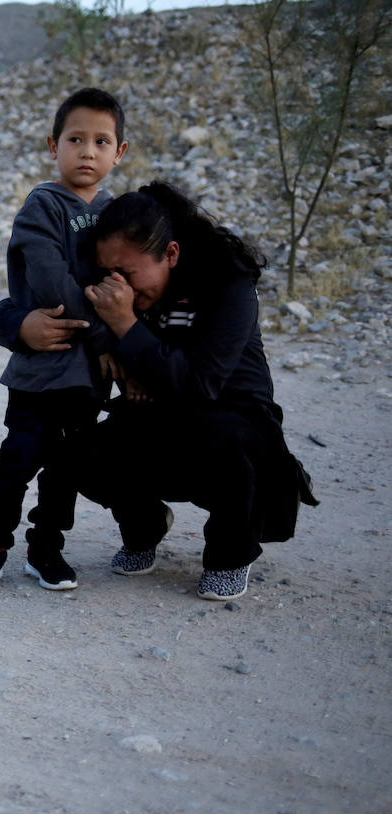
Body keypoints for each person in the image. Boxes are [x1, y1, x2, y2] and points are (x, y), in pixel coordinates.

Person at [73, 181, 317, 600]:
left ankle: (230, 554)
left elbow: (202, 384)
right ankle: (145, 527)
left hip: (236, 421)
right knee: (81, 450)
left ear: (170, 254)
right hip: (163, 414)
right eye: (108, 275)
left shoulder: (228, 282)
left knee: (223, 438)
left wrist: (125, 327)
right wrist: (102, 340)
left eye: (128, 274)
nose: (120, 289)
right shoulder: (123, 292)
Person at [0, 88, 128, 594]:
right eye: (76, 139)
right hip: (41, 366)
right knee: (18, 458)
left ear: (119, 152)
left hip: (88, 377)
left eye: (102, 141)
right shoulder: (42, 207)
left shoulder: (120, 212)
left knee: (65, 469)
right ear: (53, 146)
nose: (88, 151)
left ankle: (46, 549)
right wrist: (107, 334)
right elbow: (54, 284)